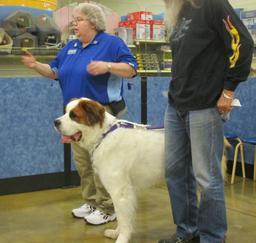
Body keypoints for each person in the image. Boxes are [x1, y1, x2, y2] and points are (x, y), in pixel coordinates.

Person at [22, 3, 137, 225]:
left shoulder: (112, 43)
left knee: (104, 163)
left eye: (78, 19)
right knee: (84, 163)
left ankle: (107, 207)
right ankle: (92, 201)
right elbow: (55, 72)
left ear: (93, 22)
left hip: (100, 116)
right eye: (73, 20)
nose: (74, 24)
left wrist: (108, 66)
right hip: (75, 118)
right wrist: (36, 65)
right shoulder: (71, 46)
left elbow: (131, 69)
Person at [160, 0, 254, 243]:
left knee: (207, 177)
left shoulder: (212, 4)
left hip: (205, 105)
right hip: (176, 105)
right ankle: (187, 231)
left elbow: (242, 43)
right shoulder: (178, 13)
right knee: (175, 171)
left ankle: (213, 237)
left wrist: (229, 90)